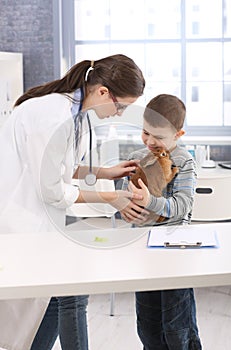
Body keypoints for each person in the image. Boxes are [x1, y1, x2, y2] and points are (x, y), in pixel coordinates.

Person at [0, 54, 145, 350]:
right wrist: (111, 197)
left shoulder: (75, 113)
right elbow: (51, 188)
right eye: (121, 107)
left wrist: (105, 172)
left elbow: (62, 166)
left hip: (43, 224)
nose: (119, 114)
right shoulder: (52, 115)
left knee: (66, 296)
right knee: (58, 300)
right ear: (103, 92)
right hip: (21, 224)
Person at [120, 94, 202, 349]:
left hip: (175, 252)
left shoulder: (184, 162)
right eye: (145, 132)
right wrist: (126, 208)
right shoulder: (139, 157)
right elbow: (126, 196)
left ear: (178, 134)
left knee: (178, 325)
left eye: (159, 137)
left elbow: (183, 206)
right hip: (143, 250)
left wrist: (150, 202)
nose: (150, 141)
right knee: (148, 324)